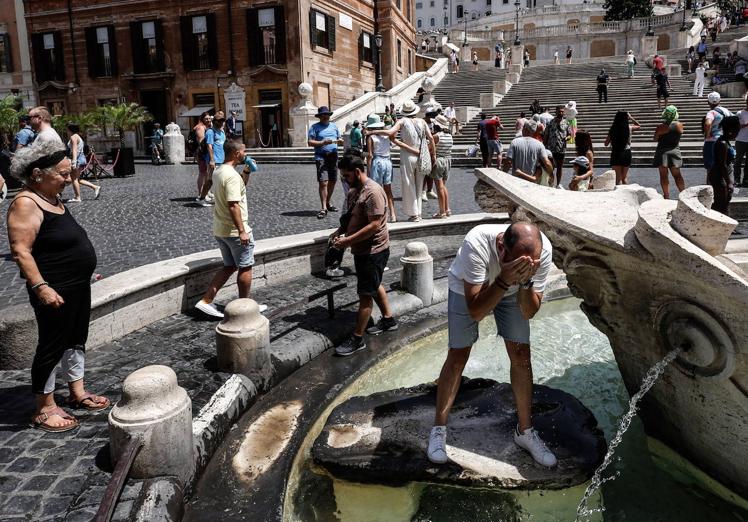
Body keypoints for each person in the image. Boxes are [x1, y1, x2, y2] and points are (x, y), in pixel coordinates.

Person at [427, 222, 557, 467]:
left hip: (511, 290)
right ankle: (439, 429)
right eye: (519, 263)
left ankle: (525, 432)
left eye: (529, 264)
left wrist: (526, 282)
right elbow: (476, 310)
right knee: (458, 354)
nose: (525, 267)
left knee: (521, 354)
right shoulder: (476, 243)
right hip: (469, 288)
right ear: (501, 247)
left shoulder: (542, 252)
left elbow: (529, 312)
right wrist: (505, 279)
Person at [7, 141, 110, 433]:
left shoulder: (53, 198)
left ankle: (77, 392)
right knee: (51, 345)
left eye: (69, 173)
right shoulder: (26, 203)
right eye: (63, 174)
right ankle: (44, 408)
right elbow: (21, 251)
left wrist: (84, 268)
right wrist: (41, 287)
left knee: (76, 338)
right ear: (38, 174)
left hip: (76, 284)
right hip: (53, 289)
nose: (69, 179)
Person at [331, 153, 397, 356]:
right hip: (362, 249)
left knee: (365, 294)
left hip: (373, 250)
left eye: (346, 175)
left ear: (358, 172)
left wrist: (348, 241)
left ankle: (357, 338)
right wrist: (338, 233)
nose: (344, 179)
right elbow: (352, 217)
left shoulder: (373, 192)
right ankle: (388, 320)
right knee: (374, 284)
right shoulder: (355, 190)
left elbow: (374, 225)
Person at [194, 139, 266, 318]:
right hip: (235, 232)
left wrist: (247, 171)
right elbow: (234, 204)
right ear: (236, 154)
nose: (246, 154)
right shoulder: (231, 176)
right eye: (244, 151)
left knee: (229, 266)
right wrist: (242, 231)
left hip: (221, 229)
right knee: (245, 266)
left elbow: (239, 189)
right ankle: (245, 308)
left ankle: (206, 301)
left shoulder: (220, 171)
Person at [371, 99, 435, 222]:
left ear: (404, 112)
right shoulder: (422, 121)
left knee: (408, 183)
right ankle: (419, 213)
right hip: (421, 155)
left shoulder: (403, 121)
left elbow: (390, 132)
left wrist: (373, 131)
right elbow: (431, 138)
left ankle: (414, 214)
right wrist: (433, 155)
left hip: (407, 156)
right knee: (419, 184)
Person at [307, 106, 344, 219]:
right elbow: (310, 142)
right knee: (323, 182)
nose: (325, 116)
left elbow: (339, 138)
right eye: (323, 115)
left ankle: (328, 202)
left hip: (333, 155)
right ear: (319, 116)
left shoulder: (334, 126)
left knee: (333, 180)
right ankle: (323, 208)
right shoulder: (314, 127)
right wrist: (323, 142)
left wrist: (340, 141)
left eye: (327, 114)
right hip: (321, 156)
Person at [366, 113, 401, 222]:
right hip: (388, 162)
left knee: (376, 190)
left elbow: (370, 155)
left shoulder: (370, 137)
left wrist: (368, 169)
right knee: (388, 190)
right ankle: (393, 214)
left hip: (377, 162)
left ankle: (379, 215)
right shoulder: (387, 135)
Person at [708, 116, 740, 215]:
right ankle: (720, 225)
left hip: (723, 174)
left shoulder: (726, 142)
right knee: (721, 202)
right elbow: (722, 165)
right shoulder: (722, 143)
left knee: (726, 200)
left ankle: (727, 226)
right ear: (731, 130)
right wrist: (729, 182)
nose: (738, 132)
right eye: (737, 130)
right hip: (719, 175)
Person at [653, 105, 686, 199]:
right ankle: (684, 194)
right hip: (675, 150)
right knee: (677, 175)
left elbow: (655, 139)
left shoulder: (660, 127)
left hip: (662, 151)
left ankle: (666, 195)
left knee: (663, 175)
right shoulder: (679, 125)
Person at [506, 120, 553, 184]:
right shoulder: (539, 144)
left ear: (525, 128)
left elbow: (508, 162)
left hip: (516, 180)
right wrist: (551, 175)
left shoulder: (515, 142)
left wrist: (503, 174)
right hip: (530, 182)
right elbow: (547, 162)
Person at [198, 111, 228, 206]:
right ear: (214, 121)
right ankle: (202, 198)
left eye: (222, 120)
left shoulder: (222, 132)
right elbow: (209, 146)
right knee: (209, 180)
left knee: (220, 180)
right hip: (214, 160)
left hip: (222, 160)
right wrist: (211, 160)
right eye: (219, 121)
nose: (221, 122)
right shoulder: (211, 132)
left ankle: (220, 198)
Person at [65, 123, 100, 202]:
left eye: (67, 129)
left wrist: (74, 161)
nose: (66, 131)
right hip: (82, 158)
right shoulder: (78, 136)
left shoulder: (73, 137)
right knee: (77, 179)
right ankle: (95, 187)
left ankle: (77, 197)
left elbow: (74, 150)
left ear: (70, 130)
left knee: (74, 179)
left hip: (77, 159)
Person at [605, 111, 641, 185]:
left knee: (618, 178)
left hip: (616, 152)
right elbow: (638, 125)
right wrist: (631, 117)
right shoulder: (629, 128)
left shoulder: (613, 129)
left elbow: (606, 143)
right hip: (626, 152)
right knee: (624, 177)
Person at [703, 92, 732, 177]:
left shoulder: (711, 113)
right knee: (724, 163)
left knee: (710, 166)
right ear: (719, 101)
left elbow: (708, 124)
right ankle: (727, 185)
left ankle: (710, 186)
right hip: (724, 140)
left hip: (712, 141)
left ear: (708, 102)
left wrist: (707, 135)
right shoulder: (726, 111)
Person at [431, 115, 453, 219]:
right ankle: (447, 209)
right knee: (443, 186)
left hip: (439, 161)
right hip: (448, 160)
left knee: (439, 188)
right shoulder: (450, 136)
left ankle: (442, 212)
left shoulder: (436, 136)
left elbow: (430, 148)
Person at [544, 105, 570, 188]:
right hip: (551, 148)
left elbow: (570, 135)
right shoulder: (550, 122)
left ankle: (558, 184)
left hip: (561, 148)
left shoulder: (566, 122)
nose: (561, 113)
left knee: (559, 167)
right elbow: (546, 135)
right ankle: (550, 182)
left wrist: (567, 138)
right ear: (556, 112)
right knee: (550, 167)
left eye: (562, 111)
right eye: (559, 111)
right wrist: (544, 146)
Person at [194, 112, 212, 201]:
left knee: (207, 173)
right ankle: (200, 193)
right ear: (202, 119)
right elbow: (201, 141)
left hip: (205, 153)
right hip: (202, 153)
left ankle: (206, 191)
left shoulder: (206, 127)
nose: (208, 120)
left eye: (209, 118)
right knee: (202, 173)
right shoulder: (200, 127)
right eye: (206, 118)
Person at [735, 97, 748, 188]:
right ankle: (737, 179)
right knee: (738, 161)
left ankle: (746, 179)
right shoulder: (740, 113)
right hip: (740, 140)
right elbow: (736, 126)